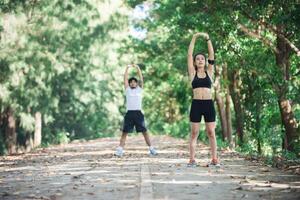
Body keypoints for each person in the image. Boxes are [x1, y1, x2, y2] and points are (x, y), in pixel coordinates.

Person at [187, 32, 219, 167]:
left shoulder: (209, 73)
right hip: (196, 105)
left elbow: (212, 55)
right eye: (197, 59)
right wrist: (194, 37)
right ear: (194, 62)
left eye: (202, 59)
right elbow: (189, 55)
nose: (200, 60)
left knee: (211, 132)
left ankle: (214, 159)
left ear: (205, 62)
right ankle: (192, 160)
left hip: (208, 104)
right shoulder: (192, 73)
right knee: (194, 132)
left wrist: (207, 39)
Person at [115, 64, 157, 157]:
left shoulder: (140, 90)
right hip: (129, 113)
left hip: (138, 113)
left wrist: (138, 68)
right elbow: (125, 79)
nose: (133, 83)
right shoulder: (127, 90)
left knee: (144, 131)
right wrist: (127, 68)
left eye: (135, 82)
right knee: (124, 132)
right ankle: (120, 150)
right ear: (129, 84)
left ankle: (151, 149)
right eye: (131, 82)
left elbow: (141, 78)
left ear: (137, 84)